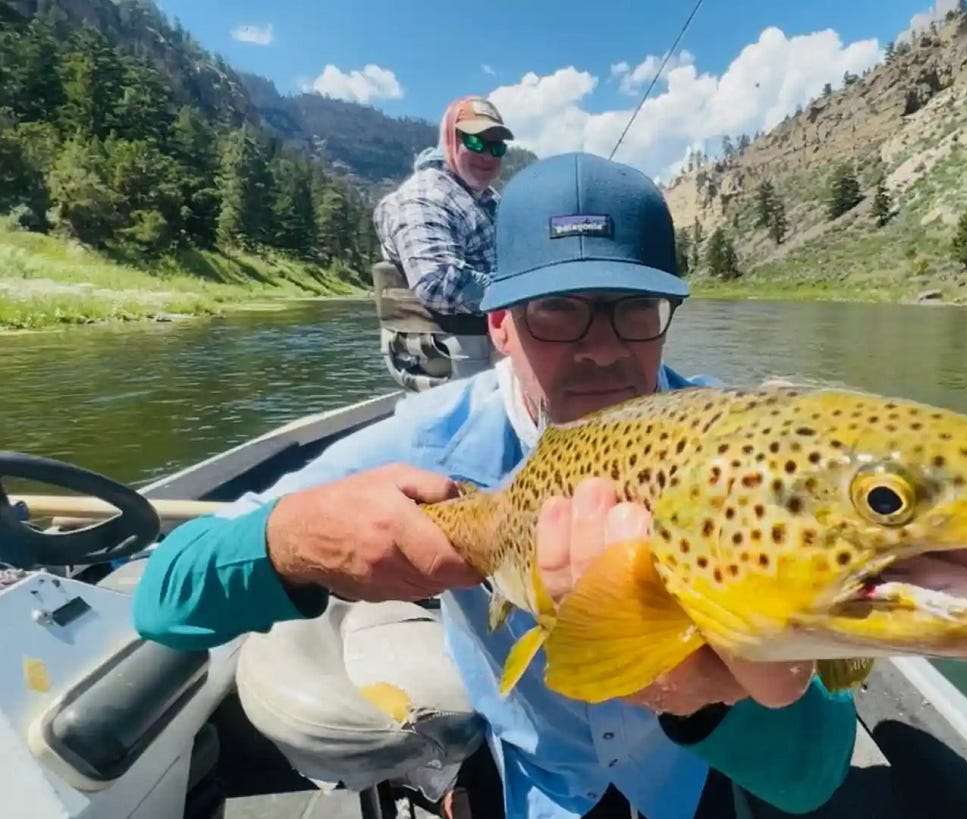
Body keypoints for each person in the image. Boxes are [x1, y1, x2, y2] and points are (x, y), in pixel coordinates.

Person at [132, 151, 859, 819]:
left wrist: (702, 698)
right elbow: (164, 593)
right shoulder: (429, 442)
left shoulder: (745, 459)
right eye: (556, 309)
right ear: (501, 326)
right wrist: (290, 539)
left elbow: (814, 773)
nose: (602, 346)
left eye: (634, 309)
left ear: (666, 323)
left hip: (692, 773)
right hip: (529, 783)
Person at [371, 95, 514, 392]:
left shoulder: (485, 197)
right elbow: (437, 282)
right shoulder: (423, 197)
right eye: (475, 142)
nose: (488, 154)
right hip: (461, 353)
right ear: (449, 139)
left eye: (497, 147)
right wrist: (521, 296)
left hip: (491, 343)